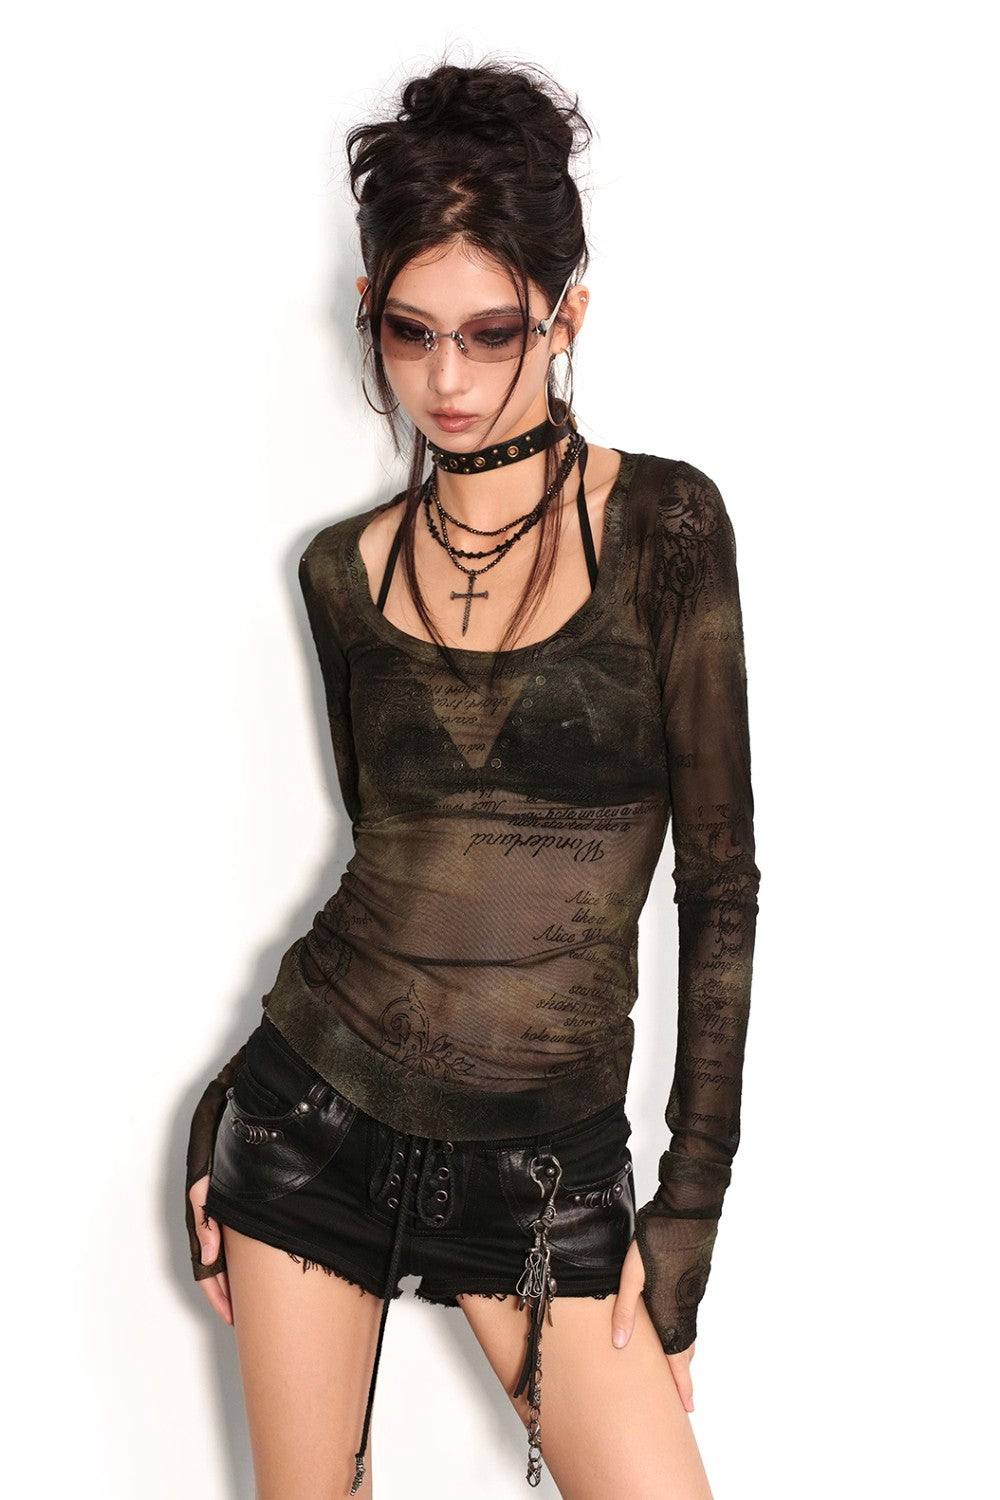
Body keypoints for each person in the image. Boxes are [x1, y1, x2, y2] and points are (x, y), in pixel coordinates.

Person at [185, 59, 759, 1500]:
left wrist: (686, 1211)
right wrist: (223, 1116)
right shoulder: (341, 572)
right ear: (369, 317)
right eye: (411, 333)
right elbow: (394, 861)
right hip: (308, 1124)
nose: (445, 381)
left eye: (492, 333)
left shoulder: (668, 526)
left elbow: (722, 886)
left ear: (568, 315)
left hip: (546, 1174)